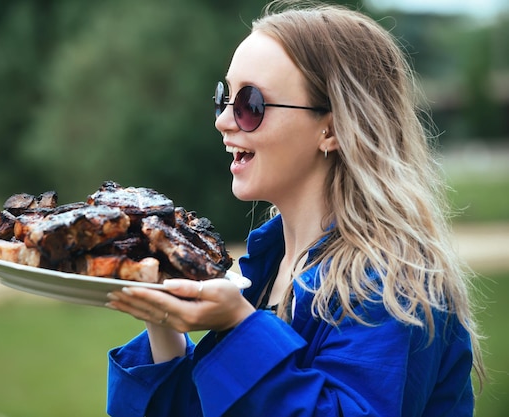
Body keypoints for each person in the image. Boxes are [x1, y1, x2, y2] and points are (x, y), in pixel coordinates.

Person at [104, 1, 485, 416]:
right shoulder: (265, 269)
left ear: (333, 127)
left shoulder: (395, 282)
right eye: (224, 98)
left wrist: (239, 327)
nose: (224, 121)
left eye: (250, 104)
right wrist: (163, 318)